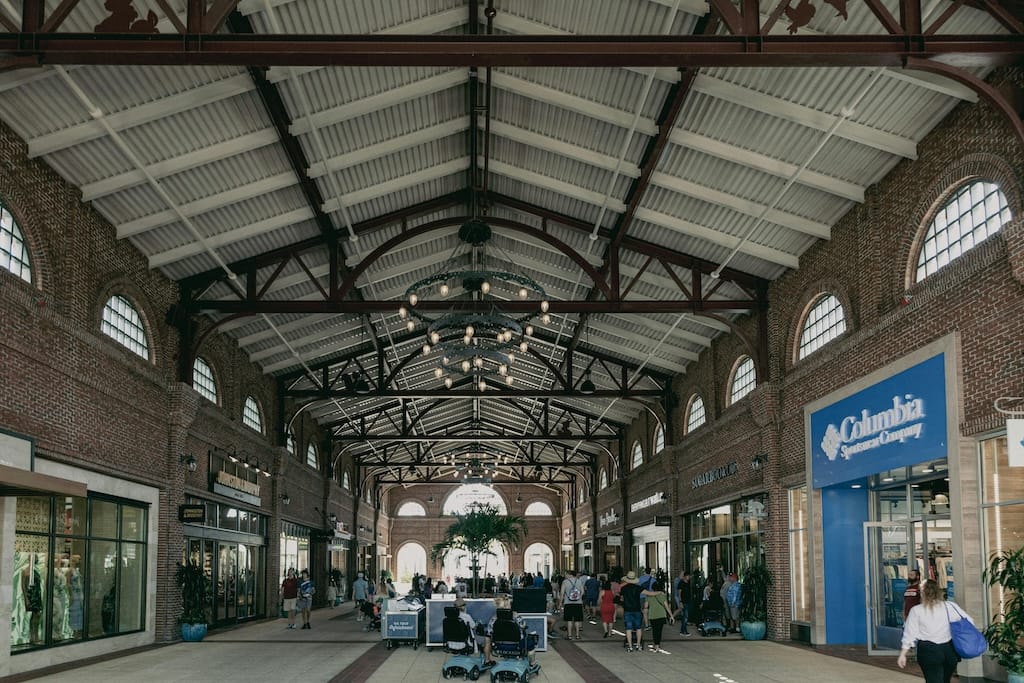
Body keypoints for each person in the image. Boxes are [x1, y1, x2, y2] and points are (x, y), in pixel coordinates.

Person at [898, 579, 974, 683]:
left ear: (922, 593)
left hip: (928, 650)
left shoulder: (917, 610)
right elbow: (969, 621)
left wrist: (903, 654)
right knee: (945, 680)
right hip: (949, 650)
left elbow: (909, 634)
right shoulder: (950, 606)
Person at [642, 579, 674, 652]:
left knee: (654, 630)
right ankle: (657, 645)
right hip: (661, 615)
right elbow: (666, 606)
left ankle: (655, 644)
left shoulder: (648, 596)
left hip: (652, 615)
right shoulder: (662, 595)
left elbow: (646, 606)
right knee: (659, 631)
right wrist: (671, 615)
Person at [620, 570, 644, 652]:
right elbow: (648, 593)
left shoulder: (623, 588)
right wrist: (658, 592)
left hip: (627, 610)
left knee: (628, 629)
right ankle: (638, 645)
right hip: (637, 609)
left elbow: (621, 597)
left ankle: (630, 647)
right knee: (638, 628)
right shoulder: (638, 588)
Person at [560, 569, 585, 640]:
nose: (565, 575)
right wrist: (578, 597)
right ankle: (577, 635)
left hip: (568, 603)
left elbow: (562, 593)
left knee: (569, 620)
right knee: (577, 620)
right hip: (578, 603)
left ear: (570, 574)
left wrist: (560, 603)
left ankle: (569, 636)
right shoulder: (579, 581)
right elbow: (582, 592)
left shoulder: (565, 582)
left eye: (566, 574)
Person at [676, 570, 693, 636]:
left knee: (685, 617)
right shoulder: (681, 583)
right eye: (688, 576)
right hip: (684, 601)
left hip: (688, 601)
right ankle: (684, 631)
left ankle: (683, 630)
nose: (689, 577)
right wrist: (680, 602)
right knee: (685, 617)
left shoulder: (687, 583)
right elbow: (679, 593)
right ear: (685, 576)